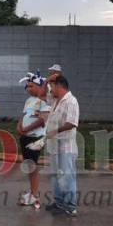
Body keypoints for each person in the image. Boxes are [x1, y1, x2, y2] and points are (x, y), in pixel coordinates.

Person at [45, 76, 80, 217]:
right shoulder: (55, 100)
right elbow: (42, 93)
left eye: (52, 87)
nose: (50, 90)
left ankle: (71, 206)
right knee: (55, 176)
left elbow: (71, 122)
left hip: (66, 146)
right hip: (54, 145)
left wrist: (56, 131)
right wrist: (48, 80)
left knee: (67, 176)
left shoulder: (71, 101)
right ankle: (59, 202)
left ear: (59, 86)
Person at [17, 75, 51, 207]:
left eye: (31, 86)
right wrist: (19, 126)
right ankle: (32, 192)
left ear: (40, 86)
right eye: (27, 86)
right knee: (29, 165)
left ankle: (35, 195)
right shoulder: (29, 100)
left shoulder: (44, 101)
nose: (28, 88)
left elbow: (43, 119)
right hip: (25, 136)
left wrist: (26, 129)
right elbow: (24, 115)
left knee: (33, 166)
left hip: (35, 138)